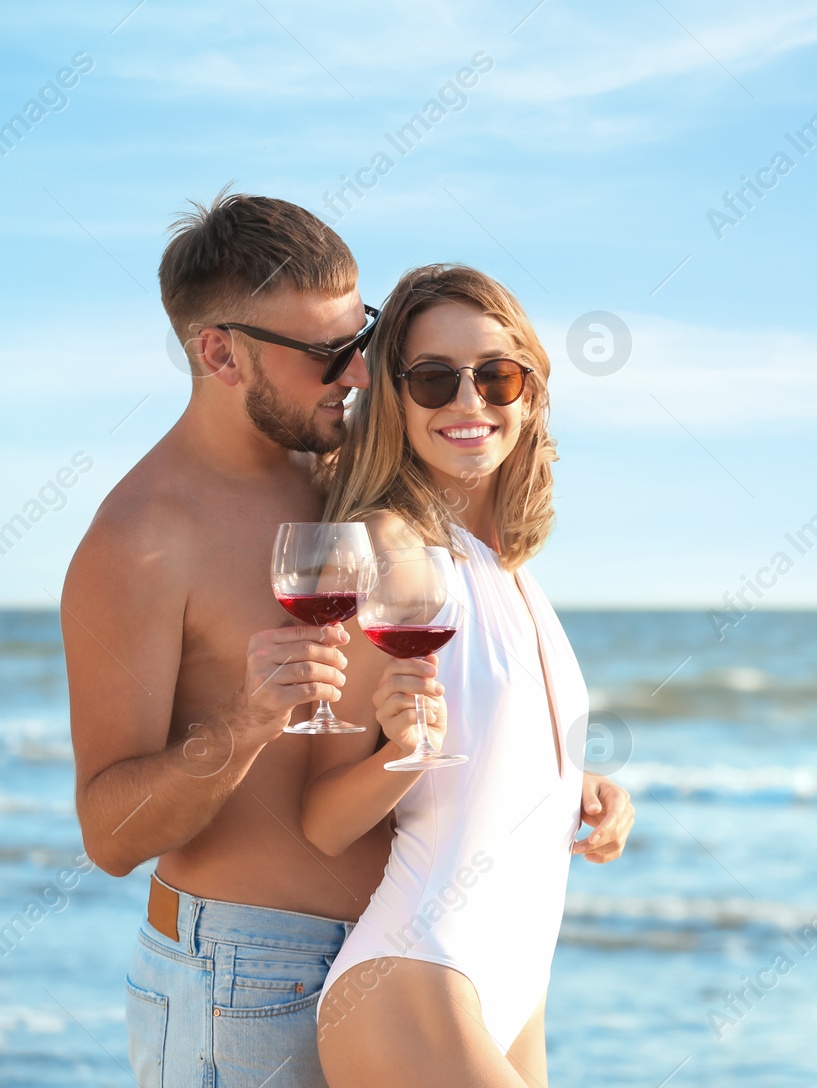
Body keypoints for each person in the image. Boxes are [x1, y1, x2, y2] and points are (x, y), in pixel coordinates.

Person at [62, 192, 634, 1088]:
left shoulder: (352, 475)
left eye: (360, 339)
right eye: (328, 356)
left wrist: (546, 773)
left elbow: (434, 697)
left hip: (415, 960)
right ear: (218, 351)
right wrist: (247, 725)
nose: (360, 375)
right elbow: (109, 833)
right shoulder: (144, 539)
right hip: (245, 978)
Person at [304, 264, 591, 1088]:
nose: (469, 403)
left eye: (497, 376)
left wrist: (583, 787)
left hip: (516, 983)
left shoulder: (511, 571)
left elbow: (493, 745)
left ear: (530, 395)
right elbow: (323, 821)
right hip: (412, 975)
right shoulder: (393, 549)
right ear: (395, 400)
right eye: (434, 379)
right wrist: (401, 755)